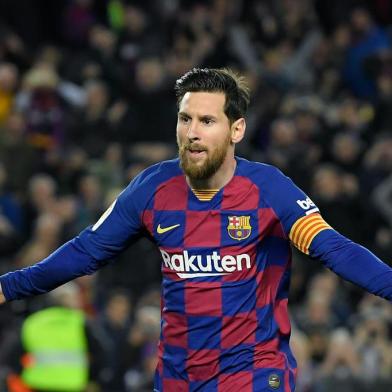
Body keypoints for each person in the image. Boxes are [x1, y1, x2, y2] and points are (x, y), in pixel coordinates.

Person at [0, 68, 391, 392]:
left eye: (207, 121)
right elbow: (86, 251)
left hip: (252, 371)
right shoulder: (152, 189)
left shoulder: (269, 190)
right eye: (185, 119)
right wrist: (9, 286)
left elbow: (335, 249)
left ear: (236, 130)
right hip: (178, 376)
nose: (192, 132)